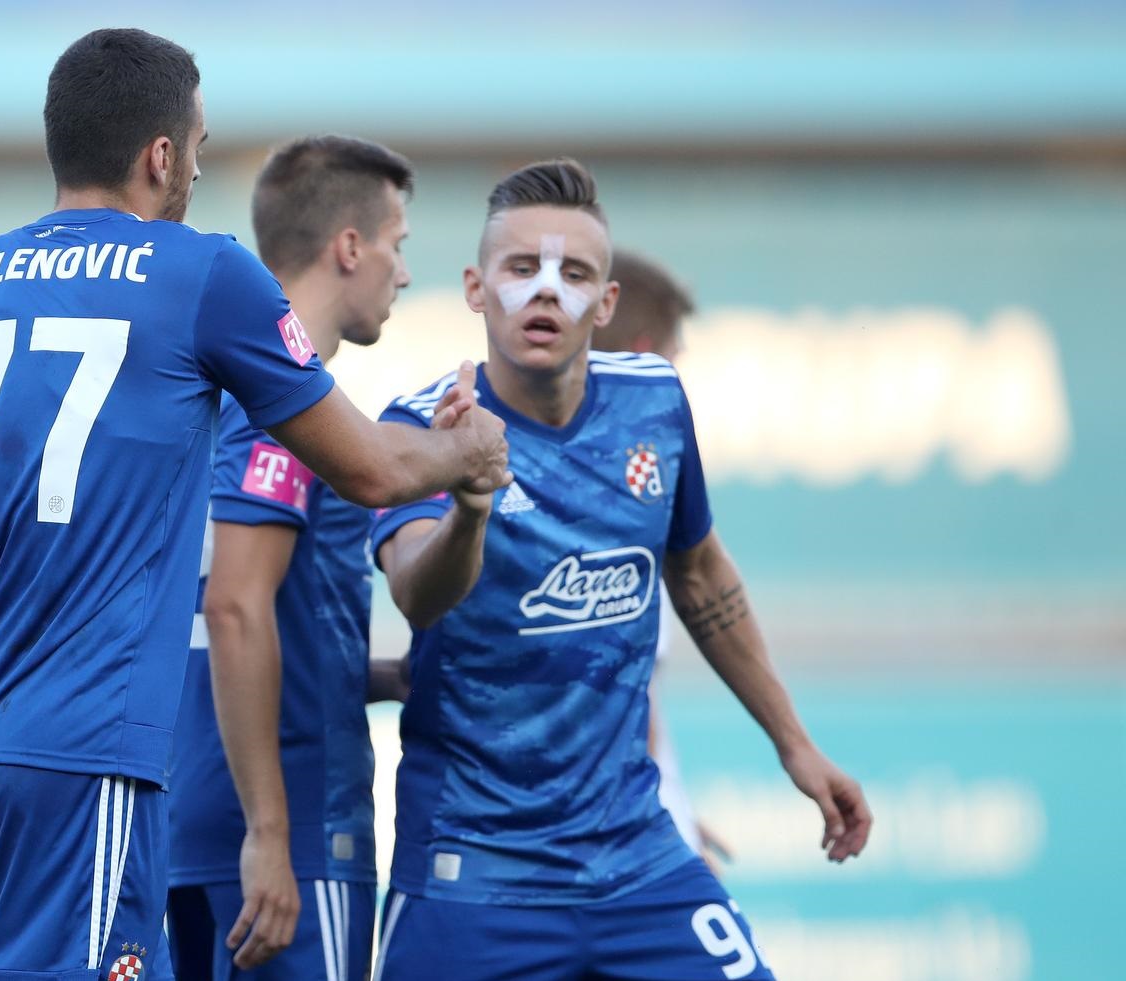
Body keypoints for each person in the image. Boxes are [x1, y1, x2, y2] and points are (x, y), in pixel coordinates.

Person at [0, 29, 509, 981]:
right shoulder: (201, 272)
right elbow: (371, 468)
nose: (199, 172)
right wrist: (467, 451)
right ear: (161, 154)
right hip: (93, 763)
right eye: (199, 148)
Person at [369, 159, 872, 981]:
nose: (545, 291)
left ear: (605, 303)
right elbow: (418, 595)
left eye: (573, 274)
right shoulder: (423, 421)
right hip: (475, 870)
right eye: (521, 268)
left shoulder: (656, 403)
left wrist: (796, 745)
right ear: (475, 287)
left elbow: (702, 573)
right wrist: (469, 503)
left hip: (635, 861)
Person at [166, 135, 413, 981]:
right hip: (287, 833)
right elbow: (234, 605)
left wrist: (383, 676)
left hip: (181, 816)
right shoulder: (284, 404)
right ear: (351, 247)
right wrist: (271, 836)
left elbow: (256, 609)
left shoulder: (195, 393)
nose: (403, 273)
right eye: (398, 243)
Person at [592, 249, 731, 866]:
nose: (679, 373)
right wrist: (665, 826)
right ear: (647, 352)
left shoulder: (636, 472)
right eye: (675, 356)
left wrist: (677, 809)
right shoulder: (618, 486)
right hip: (622, 847)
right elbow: (622, 703)